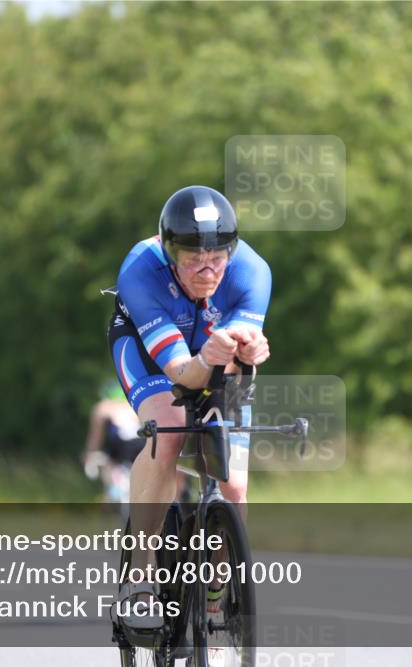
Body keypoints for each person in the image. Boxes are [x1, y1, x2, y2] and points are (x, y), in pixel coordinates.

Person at [107, 185, 271, 629]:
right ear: (167, 250)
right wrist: (207, 359)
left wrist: (249, 354)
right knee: (171, 426)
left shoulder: (252, 272)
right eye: (192, 258)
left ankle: (216, 591)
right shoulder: (140, 271)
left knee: (234, 488)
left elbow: (234, 362)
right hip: (150, 354)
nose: (206, 269)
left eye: (217, 257)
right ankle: (139, 575)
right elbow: (182, 372)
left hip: (212, 351)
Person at [82, 379, 145, 501]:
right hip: (140, 442)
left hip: (120, 443)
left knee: (108, 462)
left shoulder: (104, 407)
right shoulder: (133, 404)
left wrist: (90, 453)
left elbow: (96, 436)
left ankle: (113, 492)